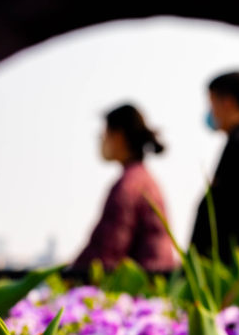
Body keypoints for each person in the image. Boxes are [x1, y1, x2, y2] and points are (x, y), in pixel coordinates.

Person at [73, 104, 177, 272]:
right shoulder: (145, 179)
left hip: (141, 286)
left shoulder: (128, 186)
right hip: (157, 280)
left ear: (118, 136)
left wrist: (71, 273)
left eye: (103, 135)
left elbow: (107, 249)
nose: (102, 142)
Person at [190, 70, 239, 270]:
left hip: (230, 273)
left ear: (228, 102)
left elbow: (233, 218)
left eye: (212, 102)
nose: (210, 111)